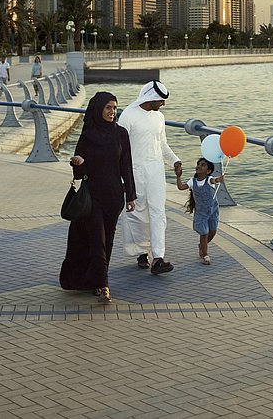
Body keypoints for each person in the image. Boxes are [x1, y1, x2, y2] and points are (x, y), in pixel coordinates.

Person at [60, 92, 136, 303]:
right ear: (98, 109)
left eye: (114, 108)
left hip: (113, 198)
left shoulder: (121, 134)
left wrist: (131, 195)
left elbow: (126, 166)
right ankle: (103, 285)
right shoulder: (87, 135)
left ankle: (95, 281)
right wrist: (78, 163)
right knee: (97, 240)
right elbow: (79, 173)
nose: (112, 112)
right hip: (92, 197)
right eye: (108, 108)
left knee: (107, 241)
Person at [118, 80, 182, 275]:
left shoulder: (159, 117)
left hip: (155, 171)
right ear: (151, 98)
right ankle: (141, 252)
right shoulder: (128, 116)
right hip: (134, 171)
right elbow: (119, 149)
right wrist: (122, 177)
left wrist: (175, 161)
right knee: (137, 214)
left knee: (158, 213)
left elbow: (162, 144)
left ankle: (158, 257)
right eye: (160, 101)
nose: (163, 104)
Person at [176, 158, 225, 265]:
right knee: (204, 233)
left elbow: (214, 180)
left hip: (212, 209)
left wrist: (218, 179)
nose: (199, 166)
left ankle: (202, 246)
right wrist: (178, 176)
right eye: (198, 164)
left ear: (208, 171)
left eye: (203, 165)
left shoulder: (209, 179)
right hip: (201, 212)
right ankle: (204, 255)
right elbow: (180, 187)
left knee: (213, 231)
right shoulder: (192, 182)